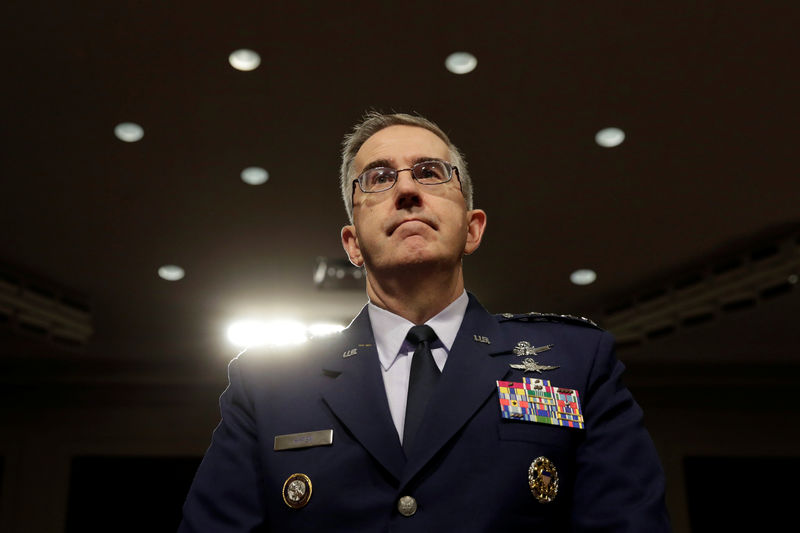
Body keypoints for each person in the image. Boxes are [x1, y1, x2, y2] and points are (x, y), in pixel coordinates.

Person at [179, 112, 670, 531]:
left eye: (431, 173)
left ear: (472, 228)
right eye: (378, 177)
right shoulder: (268, 387)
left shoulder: (576, 363)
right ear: (352, 243)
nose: (408, 189)